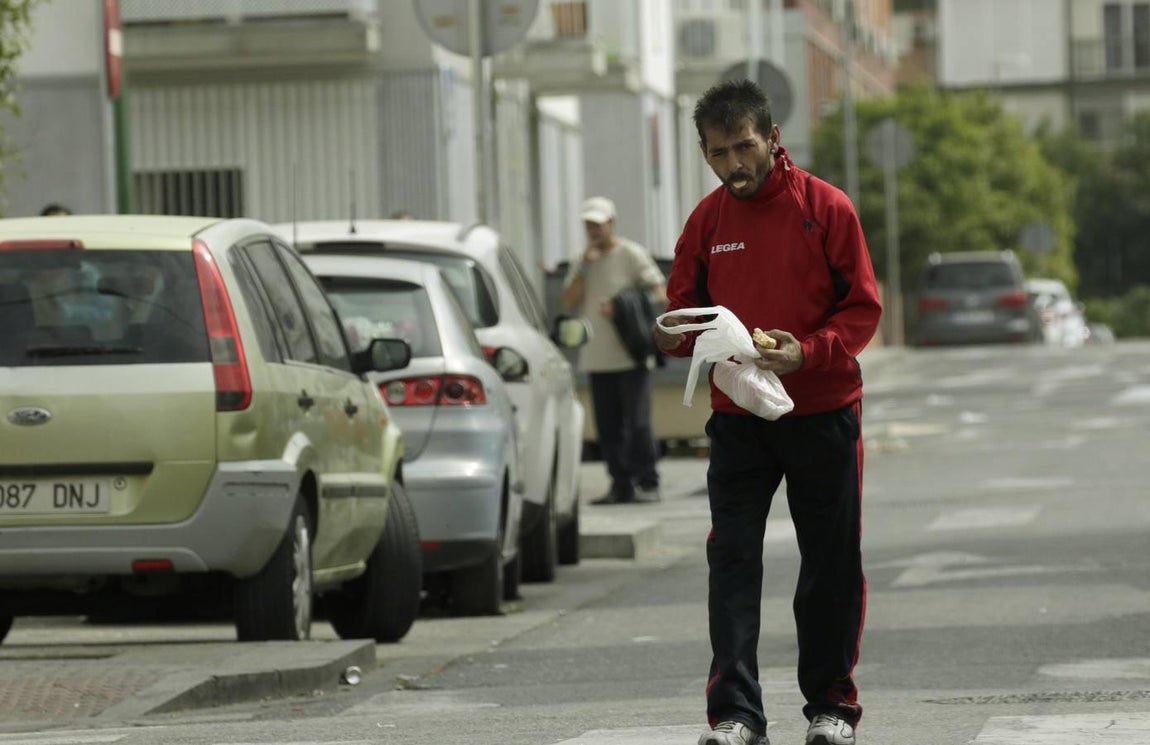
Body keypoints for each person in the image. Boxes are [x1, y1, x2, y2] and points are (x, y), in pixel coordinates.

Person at [654, 80, 881, 745]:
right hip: (736, 417)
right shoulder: (706, 222)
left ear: (772, 138)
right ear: (704, 152)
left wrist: (804, 352)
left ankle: (832, 707)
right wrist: (669, 335)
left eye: (745, 147)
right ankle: (736, 715)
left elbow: (862, 308)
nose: (735, 165)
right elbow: (681, 313)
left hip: (822, 411)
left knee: (830, 564)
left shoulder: (826, 208)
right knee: (731, 562)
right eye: (719, 153)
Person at [562, 195, 666, 505]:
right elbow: (568, 302)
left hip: (631, 353)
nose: (593, 231)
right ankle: (620, 484)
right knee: (608, 427)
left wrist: (622, 306)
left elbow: (660, 293)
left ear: (612, 223)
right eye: (588, 225)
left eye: (598, 224)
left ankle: (648, 481)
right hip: (597, 356)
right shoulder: (583, 262)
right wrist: (583, 268)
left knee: (638, 422)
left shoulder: (631, 254)